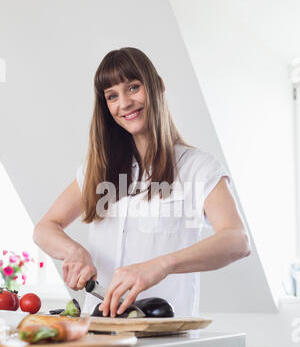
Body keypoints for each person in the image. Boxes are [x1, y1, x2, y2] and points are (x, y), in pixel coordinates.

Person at [33, 47, 251, 317]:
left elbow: (237, 240)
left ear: (158, 86)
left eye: (133, 88)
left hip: (165, 341)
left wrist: (162, 265)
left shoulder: (199, 168)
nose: (124, 103)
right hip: (99, 332)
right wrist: (74, 251)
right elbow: (44, 228)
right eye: (112, 96)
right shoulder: (97, 170)